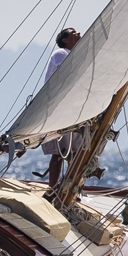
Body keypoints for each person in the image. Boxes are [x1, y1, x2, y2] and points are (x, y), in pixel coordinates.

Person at [41, 27, 83, 188]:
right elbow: (66, 73)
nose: (79, 34)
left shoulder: (76, 57)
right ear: (65, 39)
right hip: (58, 110)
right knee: (59, 153)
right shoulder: (61, 53)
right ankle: (53, 188)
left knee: (76, 153)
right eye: (74, 33)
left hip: (73, 110)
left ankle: (72, 189)